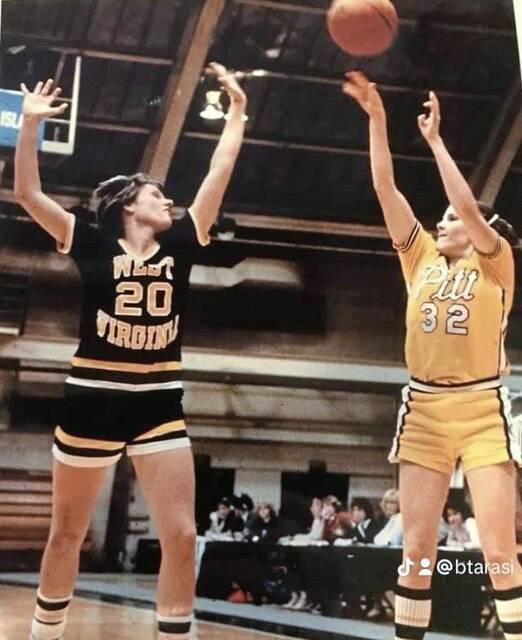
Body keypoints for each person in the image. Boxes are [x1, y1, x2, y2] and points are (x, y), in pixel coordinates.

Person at [15, 64, 247, 640]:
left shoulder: (181, 242)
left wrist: (238, 114)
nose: (167, 201)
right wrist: (29, 127)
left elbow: (217, 175)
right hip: (92, 398)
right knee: (66, 533)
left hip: (159, 400)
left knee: (183, 533)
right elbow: (27, 193)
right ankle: (46, 634)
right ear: (128, 206)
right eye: (156, 195)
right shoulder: (89, 241)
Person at [344, 71, 522, 640]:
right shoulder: (420, 260)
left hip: (481, 410)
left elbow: (466, 207)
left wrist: (437, 143)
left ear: (480, 229)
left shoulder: (496, 262)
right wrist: (378, 123)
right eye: (441, 219)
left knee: (498, 547)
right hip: (423, 409)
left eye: (450, 219)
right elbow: (385, 191)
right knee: (417, 550)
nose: (441, 223)